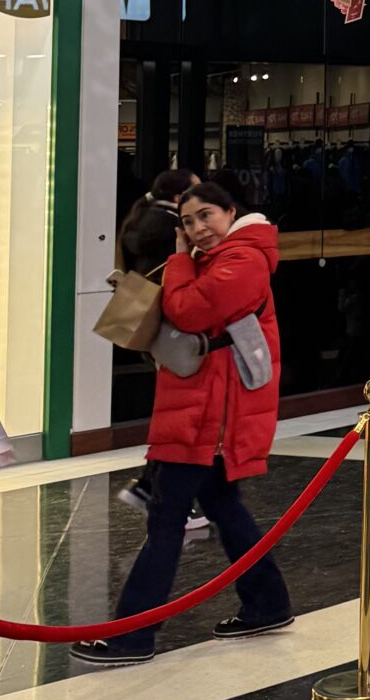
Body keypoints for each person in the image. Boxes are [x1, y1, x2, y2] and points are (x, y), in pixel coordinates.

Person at [74, 180, 294, 663]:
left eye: (206, 216)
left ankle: (132, 635)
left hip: (209, 416)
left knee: (166, 518)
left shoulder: (244, 259)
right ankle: (268, 604)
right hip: (202, 408)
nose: (198, 228)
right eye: (188, 222)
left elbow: (189, 312)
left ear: (231, 213)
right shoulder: (216, 259)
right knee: (225, 508)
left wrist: (178, 259)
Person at [113, 168, 204, 529]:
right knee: (179, 420)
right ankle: (159, 492)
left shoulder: (140, 219)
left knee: (174, 416)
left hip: (152, 331)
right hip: (172, 333)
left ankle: (153, 488)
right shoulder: (172, 231)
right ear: (180, 198)